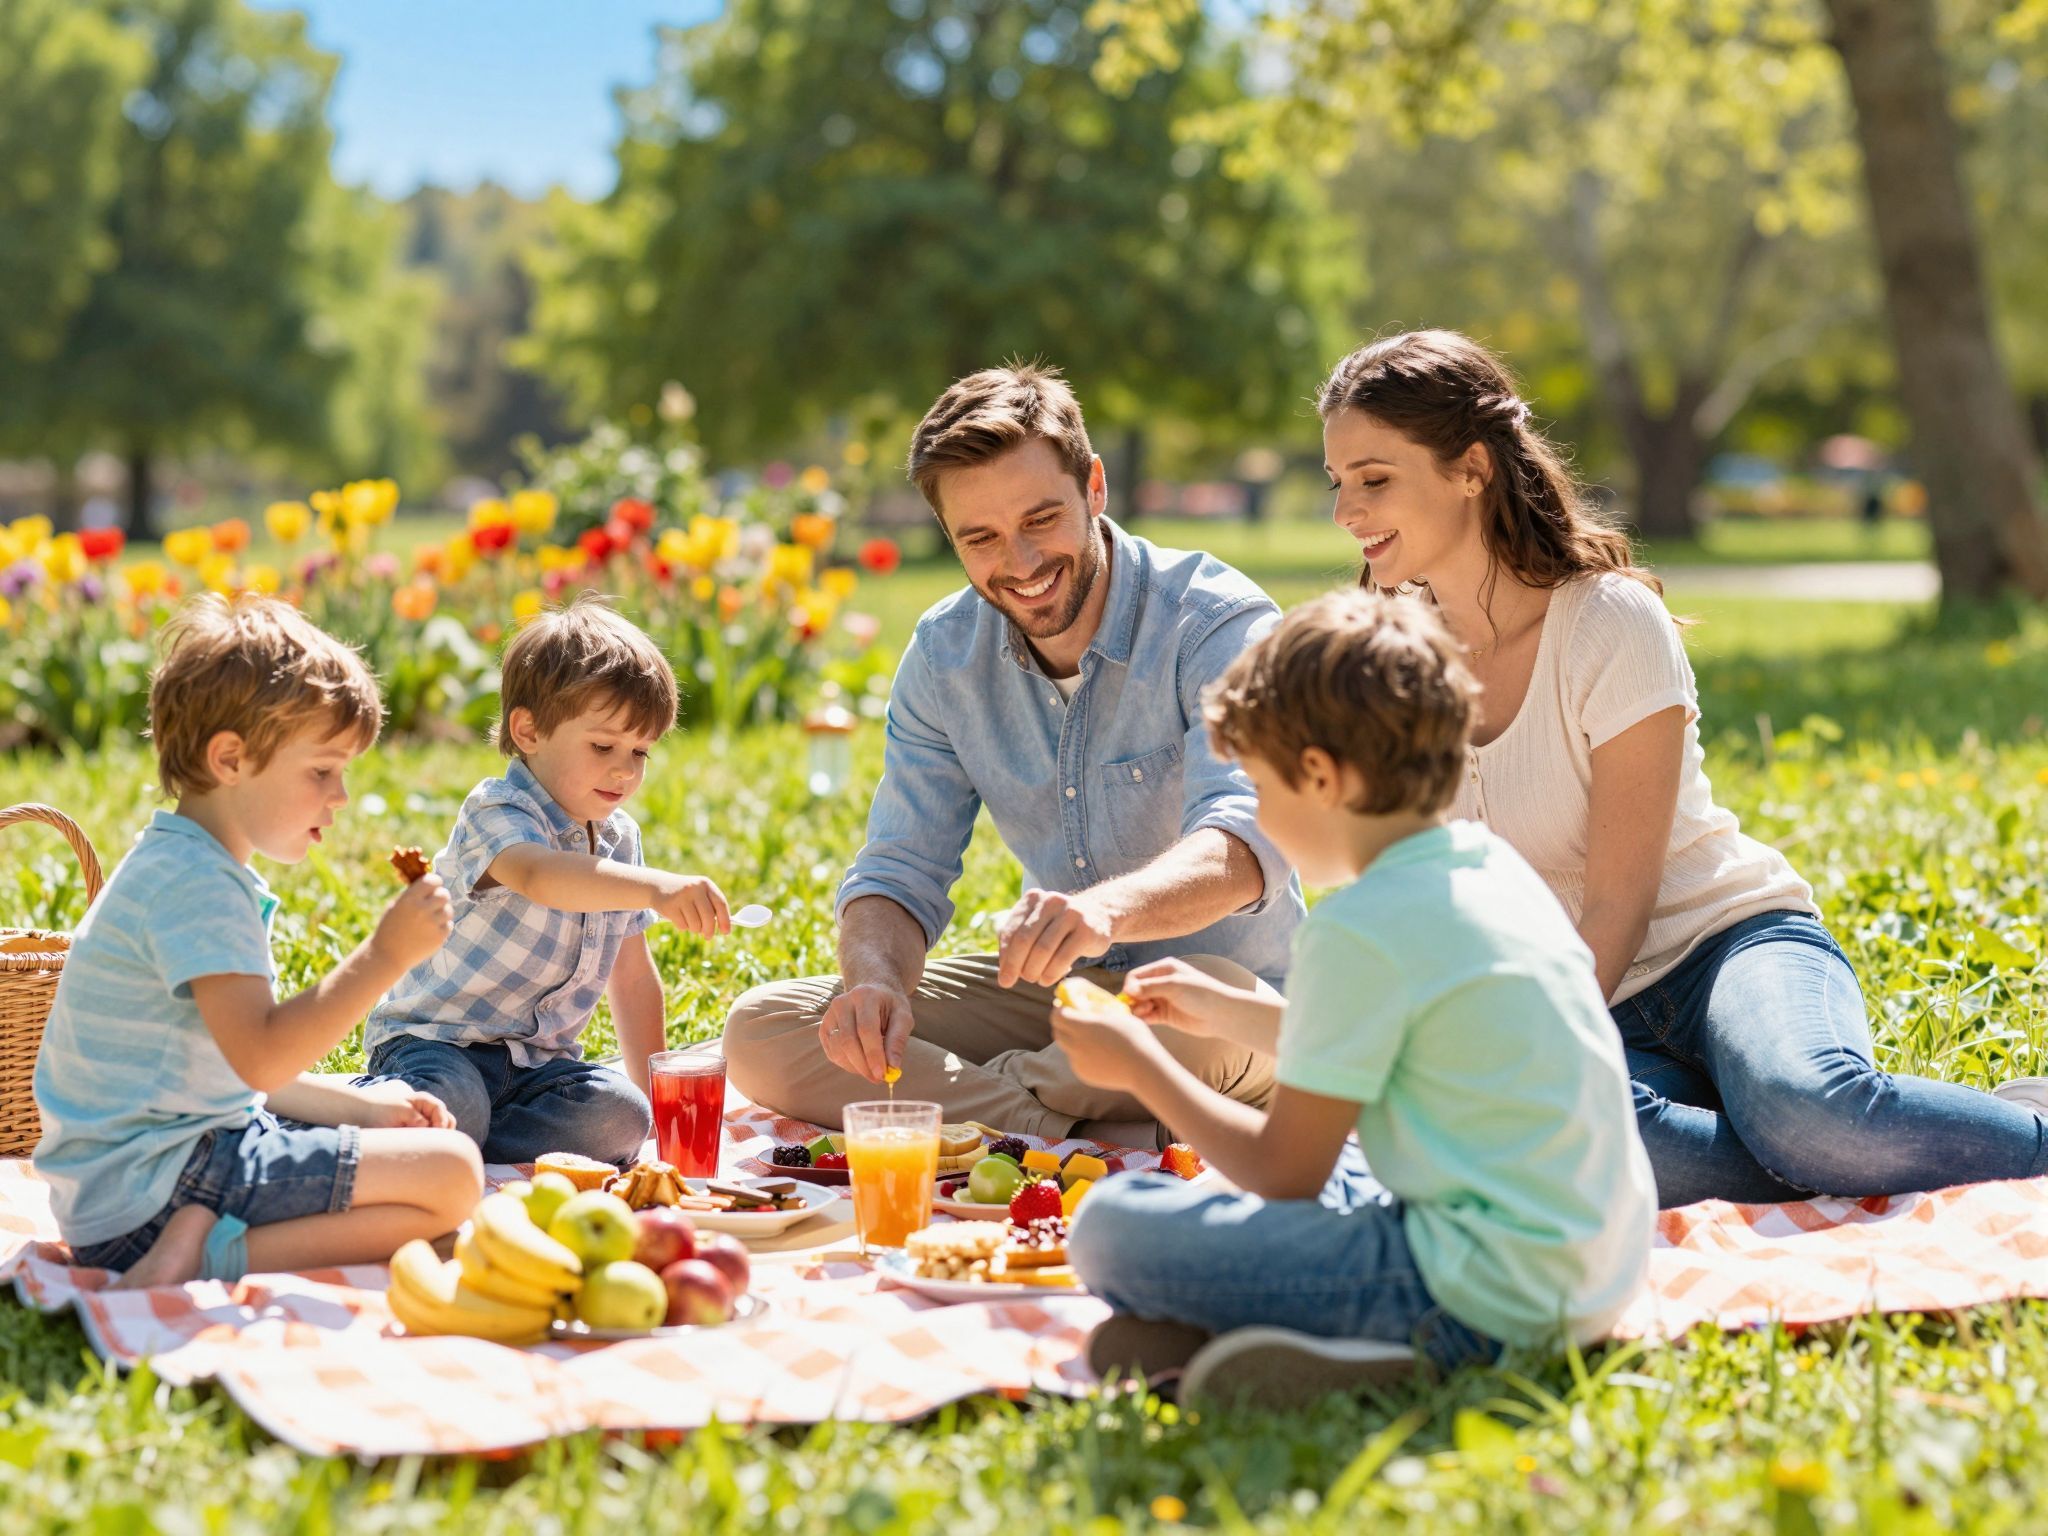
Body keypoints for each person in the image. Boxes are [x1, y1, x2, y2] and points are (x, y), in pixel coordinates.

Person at [1311, 328, 2048, 1206]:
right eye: (1338, 484)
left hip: (1723, 948)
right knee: (1560, 1137)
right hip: (1585, 999)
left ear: (1470, 467)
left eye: (1374, 479)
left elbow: (1620, 900)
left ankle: (1973, 1131)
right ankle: (1861, 1147)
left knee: (1807, 1110)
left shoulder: (1607, 622)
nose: (1346, 511)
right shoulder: (1391, 656)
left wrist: (1543, 1057)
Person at [1058, 591, 1655, 1407]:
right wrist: (1225, 1010)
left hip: (1475, 1300)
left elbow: (1283, 1172)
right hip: (1589, 1276)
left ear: (1320, 777)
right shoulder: (1483, 866)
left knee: (1111, 1229)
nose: (1262, 818)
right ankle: (1248, 1336)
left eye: (1263, 792)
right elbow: (1396, 1047)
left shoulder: (1361, 928)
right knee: (1352, 1154)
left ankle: (1388, 1351)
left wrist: (1141, 1069)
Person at [723, 365, 1304, 1145]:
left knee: (1188, 1022)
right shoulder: (944, 654)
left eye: (1041, 519)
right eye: (982, 538)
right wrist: (873, 983)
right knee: (768, 1030)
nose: (1021, 562)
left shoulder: (1213, 623)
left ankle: (1001, 1114)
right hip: (1061, 1008)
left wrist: (1103, 911)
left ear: (1094, 487)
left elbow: (1246, 840)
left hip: (1221, 1003)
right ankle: (1062, 1129)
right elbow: (900, 868)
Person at [33, 595, 481, 1289]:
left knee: (432, 1191)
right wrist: (385, 956)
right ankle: (203, 1257)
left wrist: (365, 1108)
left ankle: (201, 1240)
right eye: (321, 771)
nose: (340, 797)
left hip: (127, 1190)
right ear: (231, 759)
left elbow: (226, 1070)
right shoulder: (199, 886)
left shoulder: (182, 862)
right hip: (157, 1191)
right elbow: (263, 1057)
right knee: (452, 1176)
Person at [358, 595, 733, 1166]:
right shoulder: (496, 810)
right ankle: (368, 1114)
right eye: (603, 746)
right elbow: (539, 875)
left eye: (640, 752)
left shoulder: (619, 840)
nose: (624, 769)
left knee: (620, 1116)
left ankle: (457, 1142)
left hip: (536, 1070)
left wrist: (662, 1104)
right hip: (435, 1044)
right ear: (528, 732)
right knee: (447, 1100)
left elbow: (632, 979)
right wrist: (656, 889)